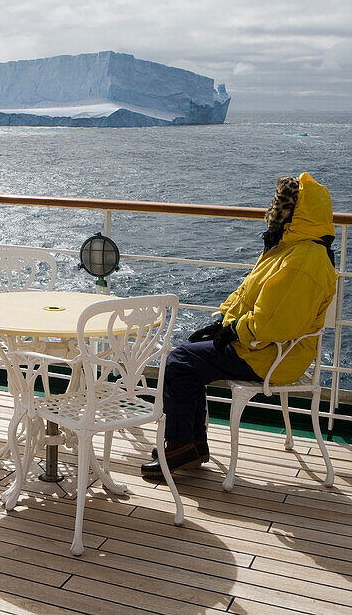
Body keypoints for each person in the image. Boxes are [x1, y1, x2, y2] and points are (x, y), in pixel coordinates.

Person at [142, 172, 337, 479]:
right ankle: (189, 444)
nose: (273, 211)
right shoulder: (292, 247)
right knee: (188, 356)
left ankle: (183, 445)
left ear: (293, 212)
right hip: (265, 347)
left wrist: (233, 332)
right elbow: (251, 296)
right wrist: (221, 323)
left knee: (179, 362)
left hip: (273, 355)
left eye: (279, 205)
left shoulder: (303, 259)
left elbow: (274, 322)